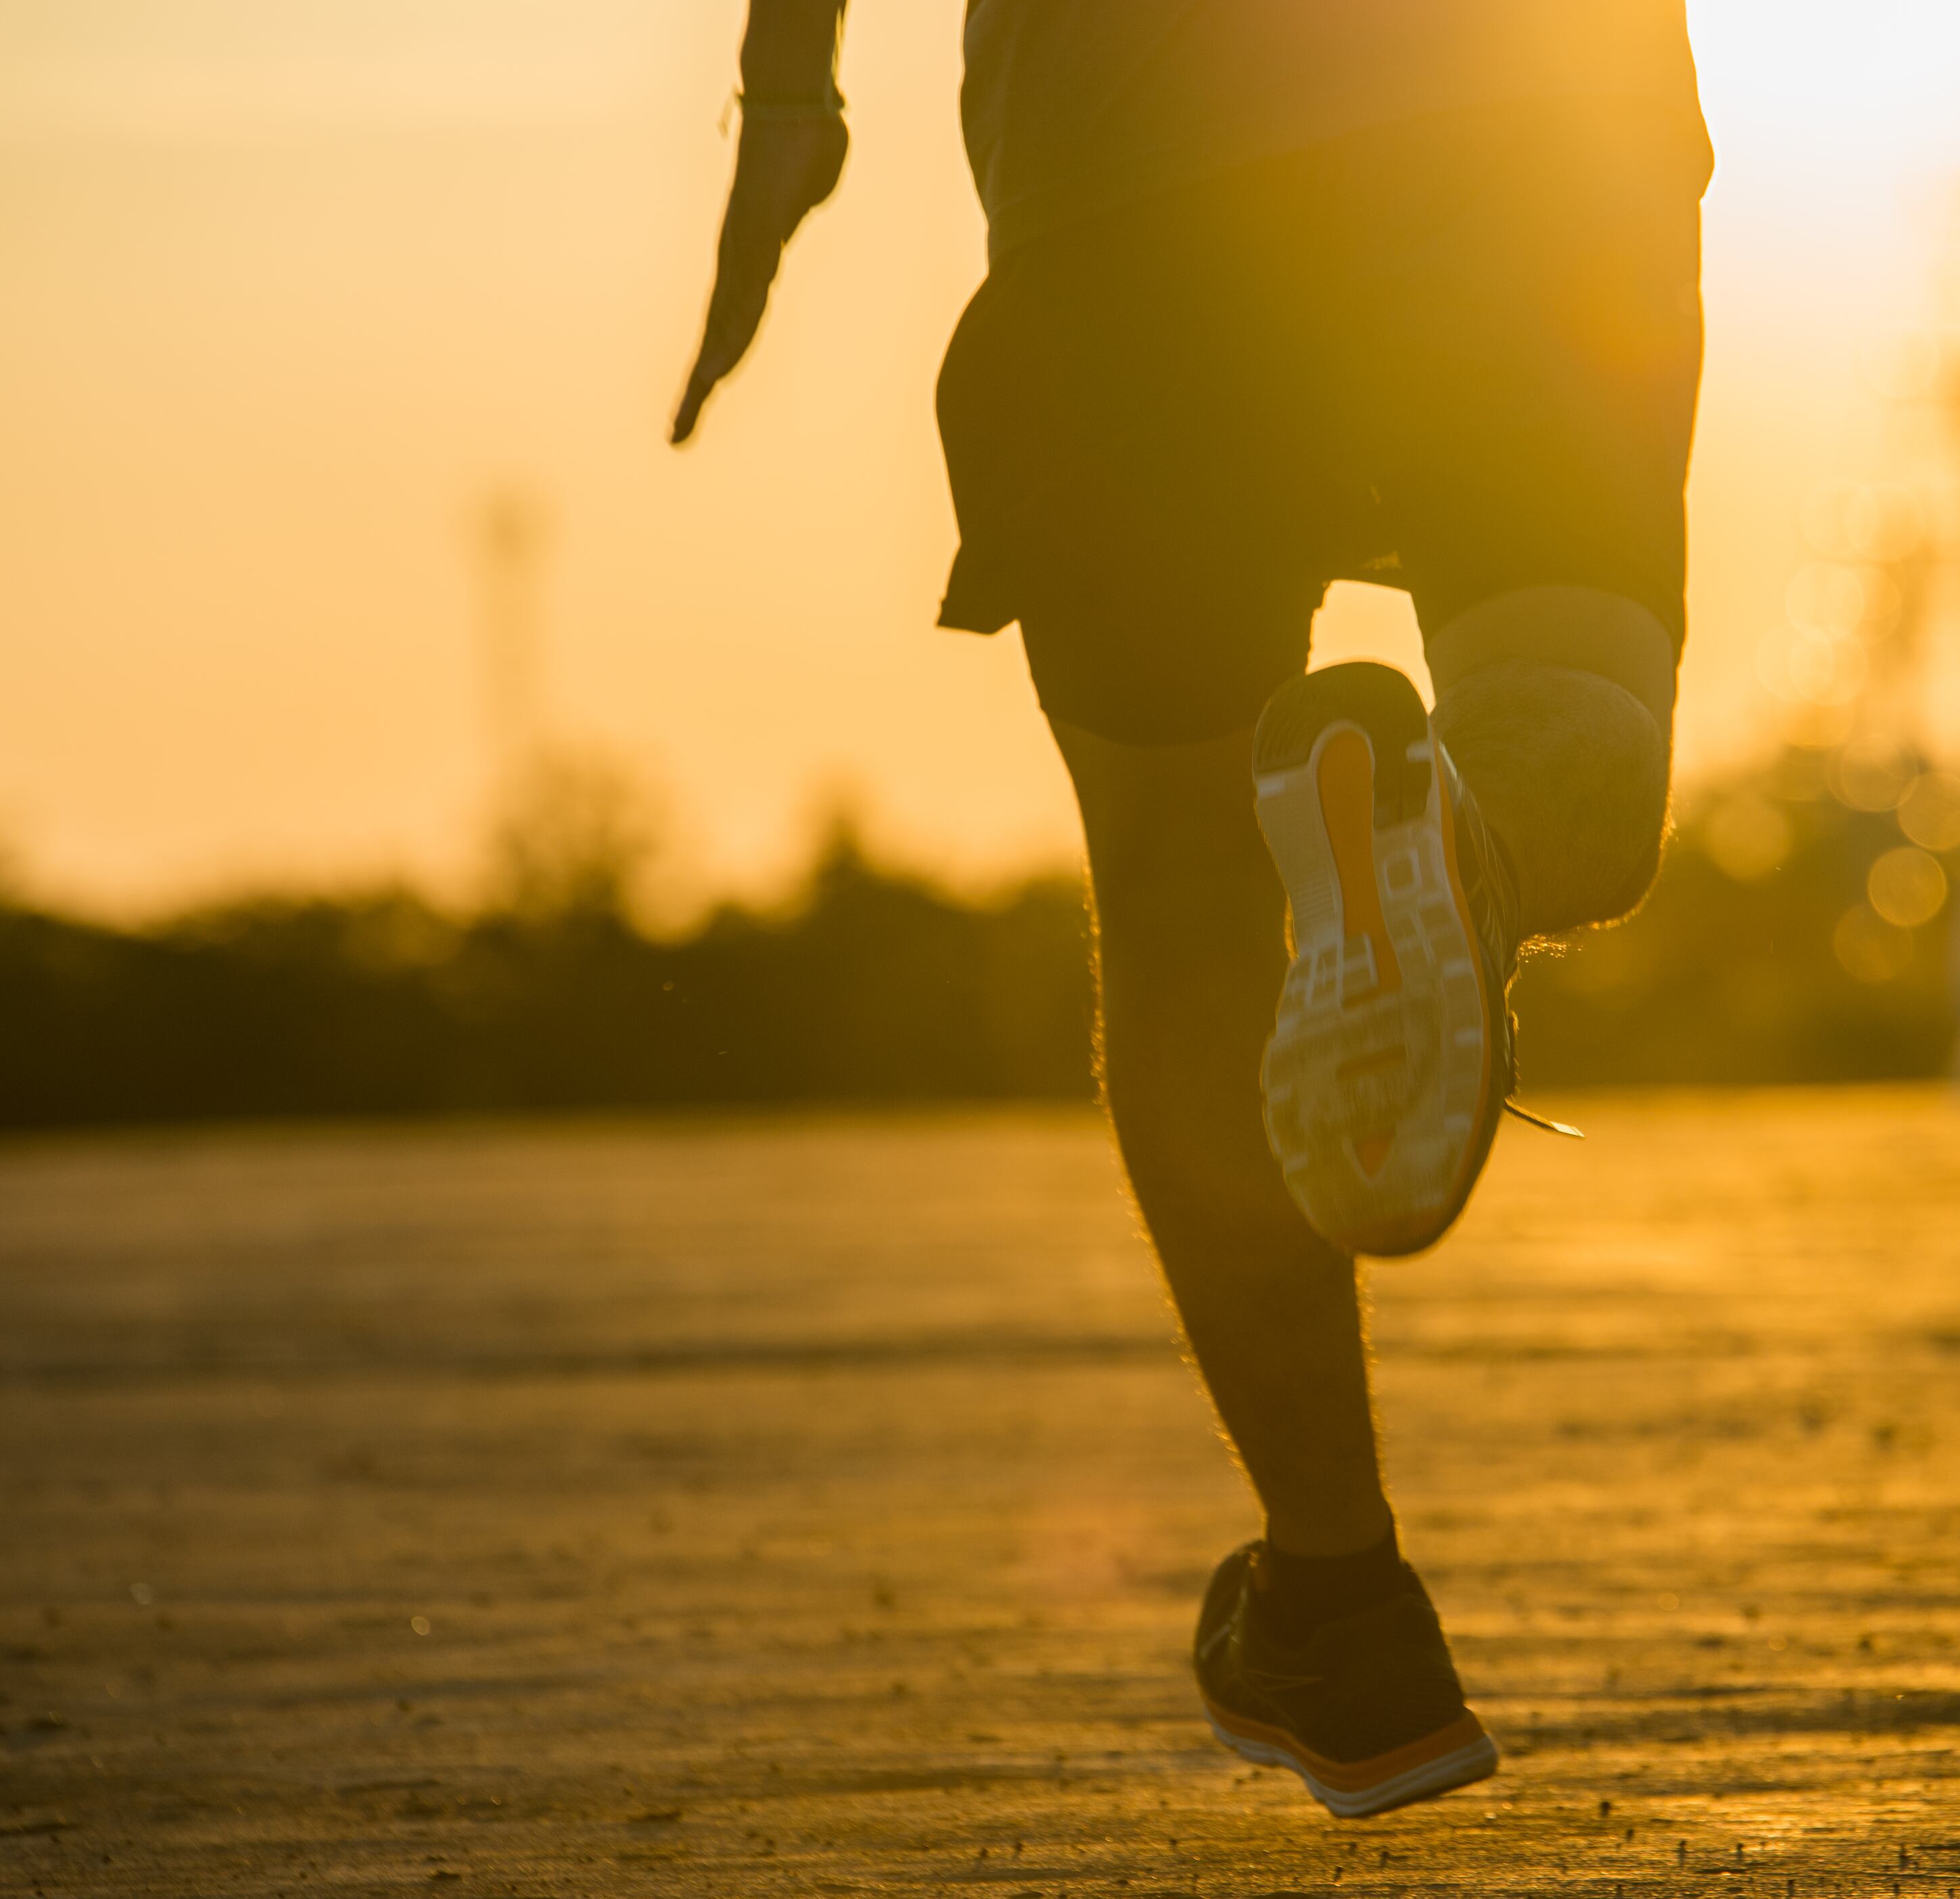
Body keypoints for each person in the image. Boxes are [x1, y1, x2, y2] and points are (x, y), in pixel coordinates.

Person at [673, 0, 1707, 1819]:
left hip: (1134, 155)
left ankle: (1340, 1604)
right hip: (1540, 123)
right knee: (1585, 739)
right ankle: (1464, 836)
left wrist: (786, 86)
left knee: (1179, 880)